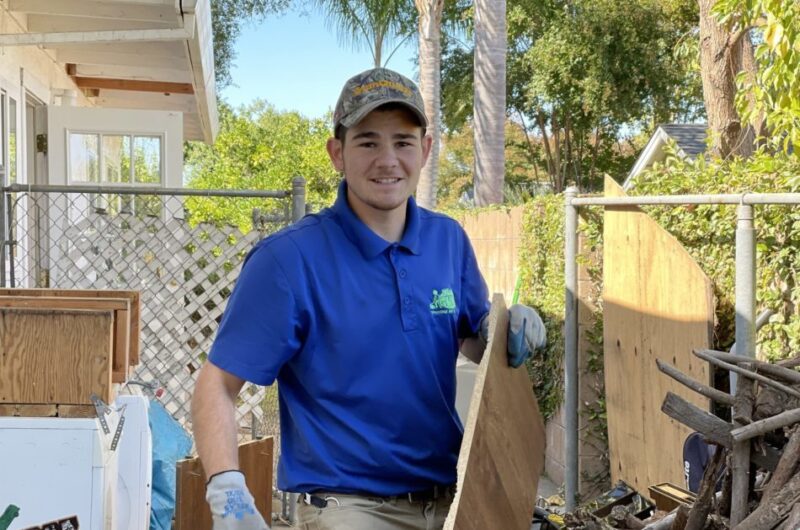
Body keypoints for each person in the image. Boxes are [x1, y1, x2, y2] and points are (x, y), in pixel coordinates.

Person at [191, 67, 547, 530]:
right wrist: (227, 490)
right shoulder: (289, 261)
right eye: (367, 142)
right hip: (351, 509)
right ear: (336, 153)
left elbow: (472, 344)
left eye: (402, 141)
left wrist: (507, 327)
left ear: (425, 149)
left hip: (453, 499)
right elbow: (216, 385)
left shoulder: (448, 241)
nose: (387, 160)